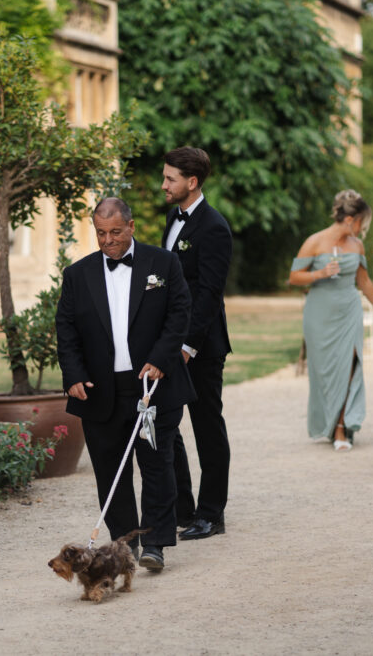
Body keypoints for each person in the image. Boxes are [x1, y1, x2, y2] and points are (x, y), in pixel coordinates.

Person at [55, 197, 195, 570]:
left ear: (131, 227)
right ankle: (123, 545)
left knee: (156, 463)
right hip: (101, 388)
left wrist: (161, 360)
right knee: (109, 469)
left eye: (115, 232)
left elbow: (180, 313)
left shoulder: (163, 263)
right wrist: (74, 375)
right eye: (101, 233)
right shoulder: (77, 274)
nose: (108, 240)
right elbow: (66, 329)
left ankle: (155, 545)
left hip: (153, 384)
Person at [159, 147, 232, 541]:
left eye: (170, 178)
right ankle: (182, 507)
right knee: (167, 424)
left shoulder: (215, 227)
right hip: (170, 341)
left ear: (192, 182)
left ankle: (211, 514)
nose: (164, 184)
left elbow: (209, 294)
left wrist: (189, 345)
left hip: (201, 346)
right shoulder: (173, 217)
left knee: (207, 427)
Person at [288, 190, 373, 451]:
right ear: (350, 219)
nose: (363, 228)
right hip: (319, 314)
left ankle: (341, 429)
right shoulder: (315, 242)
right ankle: (328, 422)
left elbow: (364, 281)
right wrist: (320, 273)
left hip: (349, 312)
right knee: (323, 373)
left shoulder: (357, 246)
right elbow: (294, 277)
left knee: (350, 368)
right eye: (361, 222)